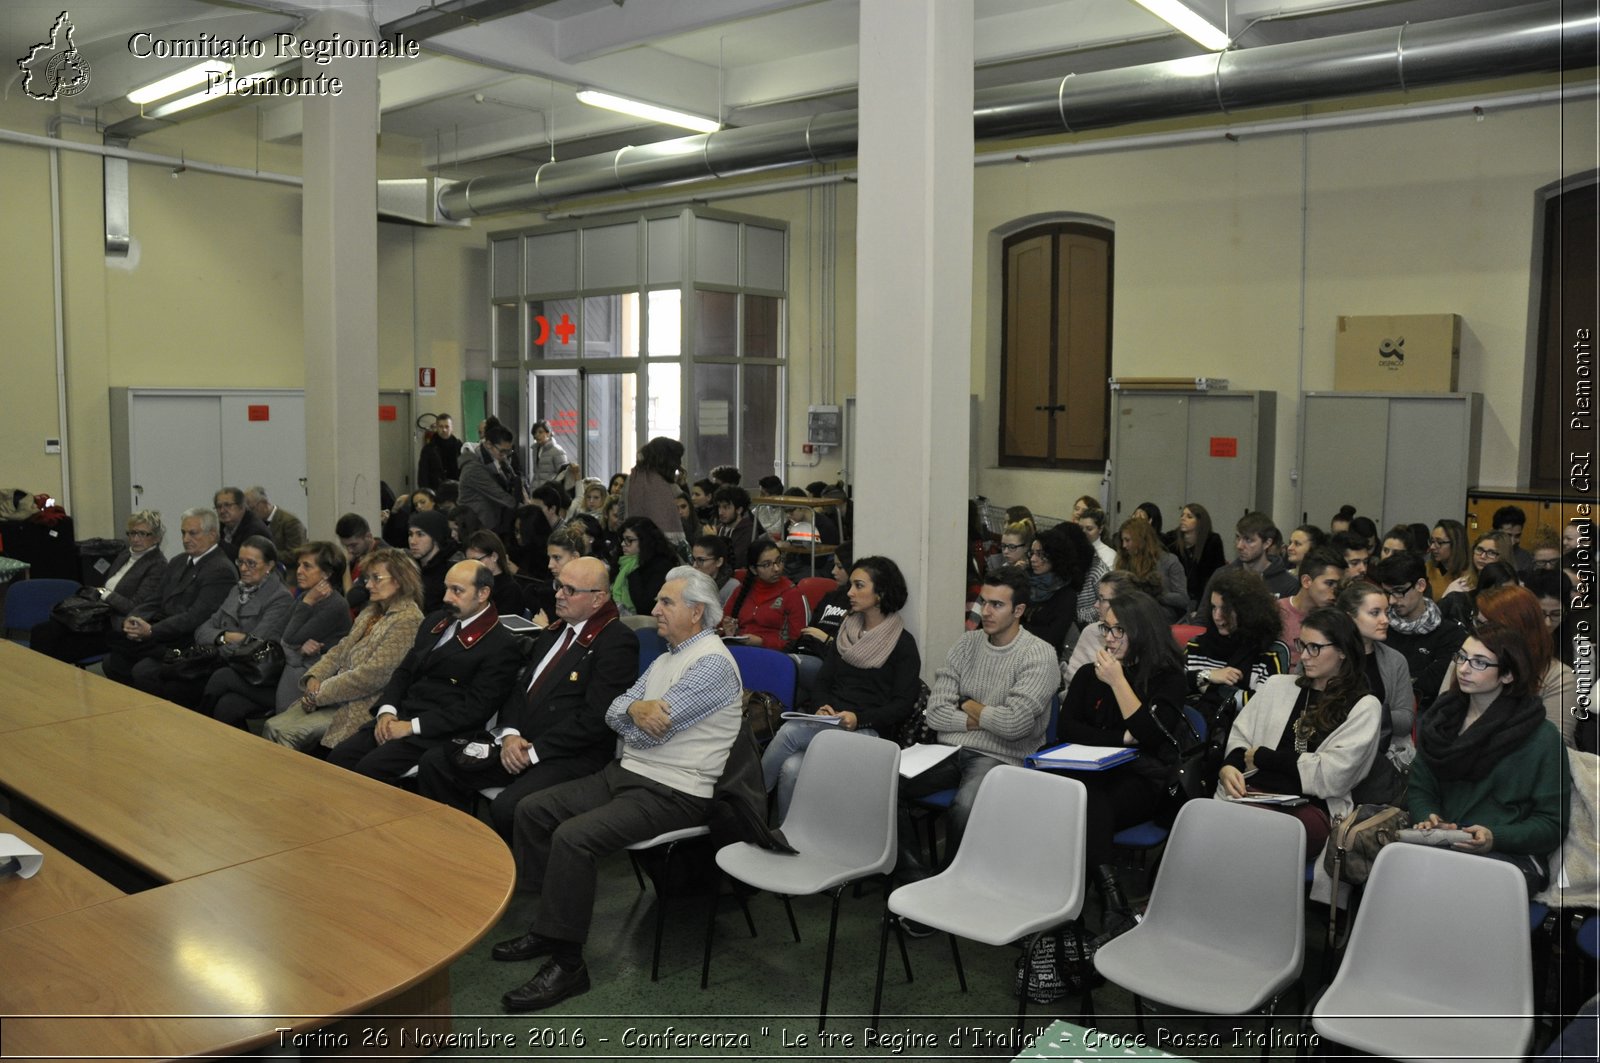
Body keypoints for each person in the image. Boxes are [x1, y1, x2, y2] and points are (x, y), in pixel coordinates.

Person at [494, 566, 744, 1013]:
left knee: (574, 836)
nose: (654, 609)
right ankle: (551, 927)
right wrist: (635, 709)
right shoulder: (669, 657)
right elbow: (614, 712)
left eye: (666, 602)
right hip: (629, 774)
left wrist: (633, 714)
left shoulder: (712, 664)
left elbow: (646, 734)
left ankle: (569, 964)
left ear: (697, 611)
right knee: (532, 810)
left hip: (675, 791)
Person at [417, 556, 640, 838]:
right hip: (520, 744)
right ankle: (455, 846)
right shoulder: (553, 633)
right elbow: (520, 689)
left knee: (510, 807)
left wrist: (534, 752)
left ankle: (517, 876)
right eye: (559, 585)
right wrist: (509, 734)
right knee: (436, 763)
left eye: (570, 590)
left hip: (569, 755)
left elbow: (595, 718)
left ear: (598, 599)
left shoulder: (616, 641)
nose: (558, 594)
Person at [898, 568, 1057, 881]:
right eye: (984, 601)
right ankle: (915, 878)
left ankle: (948, 883)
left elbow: (1015, 726)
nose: (985, 611)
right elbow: (936, 713)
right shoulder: (966, 644)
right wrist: (986, 716)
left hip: (1004, 755)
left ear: (1019, 610)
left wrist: (966, 703)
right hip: (949, 749)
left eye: (997, 605)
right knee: (881, 782)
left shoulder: (1039, 654)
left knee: (966, 806)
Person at [1056, 589, 1188, 943]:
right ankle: (1109, 900)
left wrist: (1118, 682)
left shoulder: (1168, 678)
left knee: (1088, 800)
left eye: (1119, 631)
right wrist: (1121, 738)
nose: (1109, 639)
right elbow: (1067, 729)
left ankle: (1092, 903)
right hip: (1092, 772)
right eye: (1106, 629)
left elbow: (1150, 736)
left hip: (1145, 779)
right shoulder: (1088, 673)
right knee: (1080, 793)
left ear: (1142, 632)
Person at [1408, 622, 1569, 895]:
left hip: (1512, 854)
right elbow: (1420, 786)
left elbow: (1552, 824)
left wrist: (1495, 837)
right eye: (1462, 657)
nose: (1464, 668)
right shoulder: (1442, 720)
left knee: (1453, 888)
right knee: (1396, 875)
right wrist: (1429, 817)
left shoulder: (1541, 737)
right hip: (1444, 842)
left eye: (1480, 663)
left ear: (1507, 675)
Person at [325, 560, 523, 783]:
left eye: (457, 591)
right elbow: (405, 671)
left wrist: (411, 727)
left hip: (439, 731)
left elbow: (474, 710)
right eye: (447, 588)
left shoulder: (500, 644)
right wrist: (387, 711)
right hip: (401, 715)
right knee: (339, 758)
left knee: (368, 771)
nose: (447, 597)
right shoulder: (436, 620)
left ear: (483, 593)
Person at [1216, 608, 1382, 872]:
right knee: (1204, 820)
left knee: (1246, 834)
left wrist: (1262, 757)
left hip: (1311, 809)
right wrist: (1230, 767)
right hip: (1253, 795)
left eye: (1314, 648)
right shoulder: (1278, 686)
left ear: (1342, 651)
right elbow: (1242, 735)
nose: (1304, 656)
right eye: (1302, 645)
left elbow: (1332, 774)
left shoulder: (1363, 706)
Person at [761, 555, 920, 820]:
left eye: (859, 586)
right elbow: (823, 681)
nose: (850, 593)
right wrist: (822, 708)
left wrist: (859, 719)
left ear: (880, 593)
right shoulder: (846, 631)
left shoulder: (902, 643)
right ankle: (787, 837)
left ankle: (748, 803)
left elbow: (902, 704)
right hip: (833, 721)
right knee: (791, 767)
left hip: (870, 731)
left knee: (789, 732)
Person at [264, 547, 425, 753]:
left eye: (376, 578)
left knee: (283, 732)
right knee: (272, 726)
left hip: (361, 705)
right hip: (335, 696)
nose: (368, 585)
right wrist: (315, 677)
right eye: (368, 578)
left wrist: (319, 693)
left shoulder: (408, 619)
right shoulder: (371, 611)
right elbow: (340, 650)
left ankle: (291, 784)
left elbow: (372, 676)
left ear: (399, 580)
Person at [204, 540, 351, 730]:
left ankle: (198, 731)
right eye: (299, 565)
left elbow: (289, 638)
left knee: (222, 677)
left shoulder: (334, 605)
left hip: (304, 685)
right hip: (282, 672)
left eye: (307, 566)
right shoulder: (305, 597)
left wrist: (306, 603)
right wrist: (294, 649)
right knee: (228, 706)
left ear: (327, 573)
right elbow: (274, 636)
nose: (299, 571)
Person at [138, 536, 293, 709]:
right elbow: (203, 629)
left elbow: (255, 645)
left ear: (269, 566)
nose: (243, 568)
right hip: (216, 657)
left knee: (178, 688)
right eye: (240, 562)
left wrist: (219, 646)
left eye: (251, 563)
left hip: (243, 668)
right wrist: (223, 637)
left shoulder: (280, 598)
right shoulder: (238, 589)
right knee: (153, 673)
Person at [102, 508, 236, 687]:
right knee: (113, 660)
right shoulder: (178, 561)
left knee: (141, 670)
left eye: (192, 533)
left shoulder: (220, 570)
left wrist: (151, 630)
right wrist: (134, 618)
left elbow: (194, 617)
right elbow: (155, 599)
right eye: (183, 533)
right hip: (163, 632)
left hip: (187, 640)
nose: (186, 539)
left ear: (212, 535)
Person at [31, 509, 167, 663]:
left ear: (156, 538)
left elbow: (135, 607)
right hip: (98, 615)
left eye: (143, 534)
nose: (135, 539)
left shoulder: (158, 565)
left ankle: (48, 683)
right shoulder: (125, 555)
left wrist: (104, 593)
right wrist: (102, 593)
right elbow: (107, 586)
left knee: (56, 647)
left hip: (116, 626)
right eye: (132, 533)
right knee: (41, 631)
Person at [1477, 585, 1581, 749]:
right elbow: (1444, 722)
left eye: (1489, 626)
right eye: (1478, 623)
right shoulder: (1466, 660)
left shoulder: (1558, 677)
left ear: (1517, 630)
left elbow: (1552, 748)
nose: (1479, 634)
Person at [1184, 567, 1289, 724]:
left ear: (1247, 611)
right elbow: (1174, 685)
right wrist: (1206, 675)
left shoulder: (1271, 653)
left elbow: (1263, 705)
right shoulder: (1197, 645)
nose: (1217, 616)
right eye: (1213, 607)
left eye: (1225, 609)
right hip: (1194, 736)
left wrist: (1210, 689)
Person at [1335, 580, 1410, 799]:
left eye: (1386, 612)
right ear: (1350, 618)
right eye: (1375, 613)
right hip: (1333, 755)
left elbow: (1405, 720)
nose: (1385, 620)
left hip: (1381, 760)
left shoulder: (1395, 661)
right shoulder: (1324, 655)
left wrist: (1362, 714)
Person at [1371, 552, 1469, 716]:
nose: (1392, 601)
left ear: (1421, 585)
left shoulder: (1450, 634)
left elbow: (1433, 684)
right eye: (1387, 593)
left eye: (1399, 591)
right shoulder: (1378, 627)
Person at [1023, 522, 1102, 654]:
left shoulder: (1066, 595)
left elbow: (1052, 637)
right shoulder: (1025, 583)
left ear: (1055, 557)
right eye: (1031, 553)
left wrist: (1019, 630)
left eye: (1040, 554)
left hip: (1043, 655)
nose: (1033, 559)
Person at [718, 539, 806, 650]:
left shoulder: (792, 593)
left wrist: (762, 642)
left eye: (779, 561)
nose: (776, 568)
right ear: (754, 569)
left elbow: (797, 642)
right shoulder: (742, 590)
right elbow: (721, 626)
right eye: (767, 565)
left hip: (775, 654)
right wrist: (729, 632)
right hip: (740, 648)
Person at [1279, 547, 1346, 669]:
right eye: (1329, 583)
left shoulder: (1336, 619)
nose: (1335, 591)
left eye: (1339, 585)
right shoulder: (1275, 611)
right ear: (1306, 581)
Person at [459, 424, 524, 540]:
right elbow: (500, 495)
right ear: (488, 444)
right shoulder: (474, 468)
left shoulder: (495, 459)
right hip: (477, 528)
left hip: (491, 523)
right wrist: (526, 510)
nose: (505, 455)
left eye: (508, 451)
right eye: (502, 451)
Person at [1115, 517, 1188, 621]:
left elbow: (1183, 599)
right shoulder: (1124, 562)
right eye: (1122, 540)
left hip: (1161, 615)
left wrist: (1156, 594)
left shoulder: (1169, 561)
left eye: (1127, 540)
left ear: (1140, 540)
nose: (1124, 545)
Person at [624, 436, 688, 551]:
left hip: (632, 543)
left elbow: (622, 512)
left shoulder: (632, 479)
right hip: (663, 550)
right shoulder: (668, 486)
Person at [612, 516, 677, 616]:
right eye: (623, 539)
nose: (623, 544)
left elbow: (645, 606)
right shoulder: (621, 562)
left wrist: (633, 573)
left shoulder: (661, 566)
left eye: (629, 540)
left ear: (645, 541)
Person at [1167, 502, 1226, 611]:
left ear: (1200, 522)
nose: (1183, 519)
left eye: (1189, 517)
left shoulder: (1212, 541)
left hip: (1202, 596)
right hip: (1177, 596)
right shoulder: (1171, 540)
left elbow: (1218, 575)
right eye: (1182, 515)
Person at [463, 529, 528, 618]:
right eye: (468, 562)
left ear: (494, 556)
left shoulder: (510, 590)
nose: (472, 566)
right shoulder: (470, 584)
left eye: (476, 560)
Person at [408, 508, 462, 614]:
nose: (413, 541)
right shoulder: (408, 568)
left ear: (436, 538)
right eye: (410, 534)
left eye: (420, 534)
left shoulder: (452, 573)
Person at [244, 485, 306, 559]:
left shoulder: (291, 522)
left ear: (264, 503)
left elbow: (296, 554)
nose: (250, 513)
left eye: (252, 508)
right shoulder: (254, 523)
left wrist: (266, 554)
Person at [213, 486, 271, 562]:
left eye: (228, 505)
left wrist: (217, 541)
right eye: (219, 506)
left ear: (241, 506)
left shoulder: (255, 530)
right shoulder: (219, 526)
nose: (222, 510)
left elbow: (244, 560)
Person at [336, 512, 378, 614]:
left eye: (353, 545)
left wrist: (346, 565)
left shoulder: (380, 559)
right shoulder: (358, 555)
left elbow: (351, 599)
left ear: (368, 536)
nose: (349, 550)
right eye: (346, 546)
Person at [711, 484, 760, 570]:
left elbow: (736, 562)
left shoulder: (748, 531)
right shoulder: (720, 528)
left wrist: (713, 539)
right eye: (719, 507)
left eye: (726, 507)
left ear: (739, 510)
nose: (720, 512)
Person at [689, 533, 741, 608]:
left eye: (701, 560)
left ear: (719, 562)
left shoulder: (732, 587)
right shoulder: (689, 582)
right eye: (693, 559)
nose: (694, 565)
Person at [418, 413, 463, 490]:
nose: (444, 430)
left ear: (452, 428)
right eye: (441, 427)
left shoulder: (459, 446)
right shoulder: (429, 449)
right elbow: (423, 474)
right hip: (436, 490)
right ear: (437, 428)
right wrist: (426, 492)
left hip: (457, 489)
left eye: (447, 426)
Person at [1426, 519, 1470, 600]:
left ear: (1456, 544)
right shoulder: (1427, 569)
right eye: (1432, 541)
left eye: (1439, 542)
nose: (1432, 547)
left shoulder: (1470, 574)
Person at [1493, 504, 1535, 575]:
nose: (1512, 542)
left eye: (1517, 536)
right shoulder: (1485, 553)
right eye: (1508, 535)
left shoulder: (1526, 558)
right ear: (1495, 532)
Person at [529, 420, 572, 487]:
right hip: (537, 490)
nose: (537, 435)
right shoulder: (535, 449)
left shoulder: (557, 450)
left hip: (550, 491)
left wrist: (552, 486)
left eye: (540, 432)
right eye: (535, 433)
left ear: (548, 433)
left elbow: (563, 473)